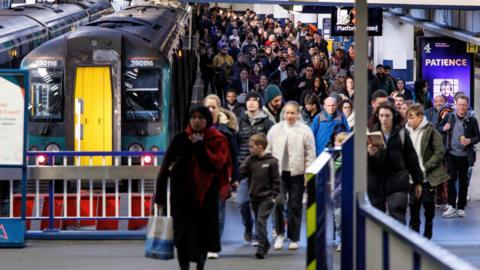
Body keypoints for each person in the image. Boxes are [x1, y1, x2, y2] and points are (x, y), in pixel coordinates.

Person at [154, 105, 231, 270]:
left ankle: (200, 266)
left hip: (206, 198)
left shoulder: (217, 139)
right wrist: (159, 197)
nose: (196, 121)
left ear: (207, 120)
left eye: (200, 118)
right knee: (182, 237)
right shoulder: (180, 138)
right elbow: (165, 166)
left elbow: (216, 164)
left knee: (202, 237)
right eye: (193, 117)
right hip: (181, 197)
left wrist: (200, 146)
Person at [267, 101, 316, 251]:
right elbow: (268, 150)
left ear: (297, 114)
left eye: (292, 113)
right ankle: (280, 234)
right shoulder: (275, 129)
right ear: (283, 113)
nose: (289, 115)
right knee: (278, 202)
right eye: (287, 113)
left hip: (298, 173)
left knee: (295, 205)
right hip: (279, 173)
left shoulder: (305, 130)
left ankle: (294, 238)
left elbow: (310, 153)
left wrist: (308, 174)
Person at [367, 103, 423, 224]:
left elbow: (411, 159)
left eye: (387, 115)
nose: (384, 119)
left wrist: (418, 181)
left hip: (397, 180)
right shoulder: (370, 133)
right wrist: (368, 153)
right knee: (375, 218)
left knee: (397, 215)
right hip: (375, 182)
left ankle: (397, 242)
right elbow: (360, 159)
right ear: (377, 116)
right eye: (381, 115)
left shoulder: (401, 134)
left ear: (393, 116)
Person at [405, 104, 449, 239]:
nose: (409, 121)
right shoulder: (404, 132)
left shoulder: (431, 131)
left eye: (412, 117)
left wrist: (426, 166)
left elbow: (440, 151)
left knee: (428, 205)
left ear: (420, 117)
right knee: (413, 206)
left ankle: (428, 227)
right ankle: (415, 232)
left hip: (427, 177)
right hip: (411, 178)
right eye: (408, 118)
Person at [236, 91, 274, 244]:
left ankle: (258, 234)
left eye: (254, 100)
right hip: (244, 169)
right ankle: (248, 226)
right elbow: (235, 145)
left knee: (258, 204)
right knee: (242, 201)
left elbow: (271, 144)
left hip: (262, 170)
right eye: (249, 100)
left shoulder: (267, 122)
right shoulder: (240, 120)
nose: (251, 102)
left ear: (259, 103)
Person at [203, 95, 238, 259]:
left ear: (219, 109)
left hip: (220, 178)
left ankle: (213, 246)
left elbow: (233, 156)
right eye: (208, 107)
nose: (210, 110)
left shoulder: (226, 131)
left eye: (213, 107)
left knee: (218, 212)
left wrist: (235, 178)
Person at [437, 95, 480, 218]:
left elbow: (478, 136)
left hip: (465, 156)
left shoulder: (472, 120)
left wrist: (469, 140)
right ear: (455, 104)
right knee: (450, 180)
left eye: (464, 105)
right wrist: (444, 128)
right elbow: (438, 128)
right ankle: (451, 205)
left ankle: (461, 207)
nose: (462, 107)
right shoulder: (450, 117)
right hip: (451, 154)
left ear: (467, 106)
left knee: (463, 182)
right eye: (460, 104)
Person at [239, 134, 280, 259]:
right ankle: (266, 243)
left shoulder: (272, 162)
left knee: (261, 221)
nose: (250, 149)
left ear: (260, 147)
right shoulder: (250, 160)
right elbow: (241, 172)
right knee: (258, 221)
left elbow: (276, 181)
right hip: (254, 197)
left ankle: (261, 248)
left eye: (252, 147)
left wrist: (274, 196)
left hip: (267, 198)